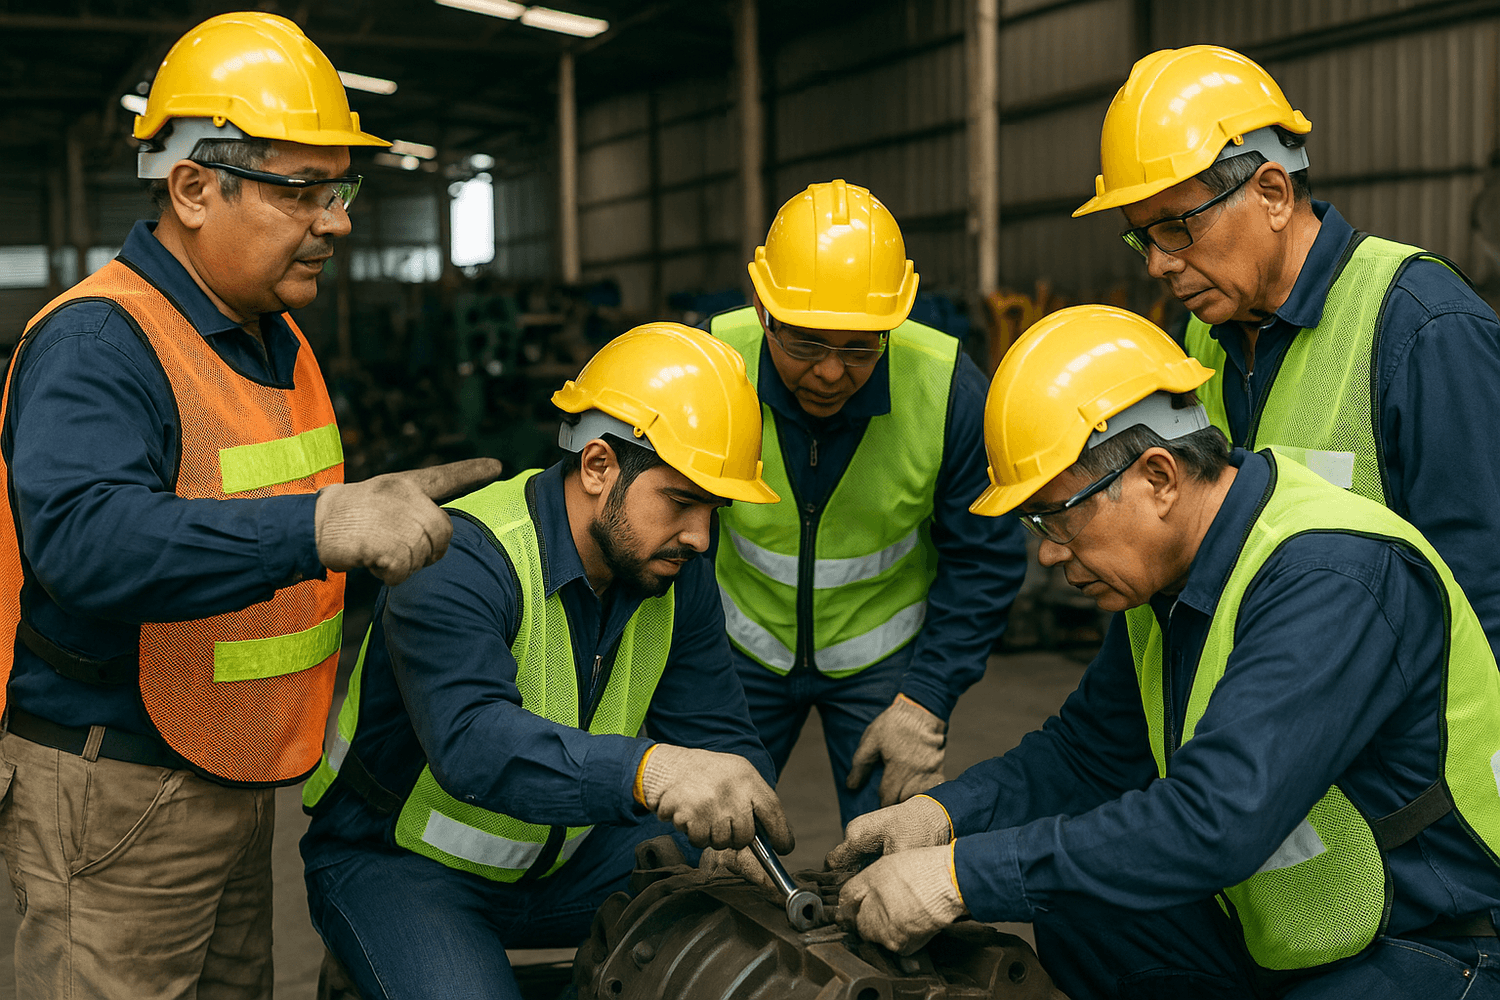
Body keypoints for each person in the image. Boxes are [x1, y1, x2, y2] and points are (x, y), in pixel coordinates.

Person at [0, 13, 499, 998]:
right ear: (192, 186)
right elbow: (81, 542)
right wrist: (321, 528)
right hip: (116, 789)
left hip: (227, 773)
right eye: (301, 189)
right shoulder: (101, 342)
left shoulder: (268, 332)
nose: (338, 219)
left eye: (339, 187)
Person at [826, 305, 1500, 999]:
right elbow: (1086, 753)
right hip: (1304, 920)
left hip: (1439, 941)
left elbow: (1216, 820)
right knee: (1080, 908)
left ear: (1158, 476)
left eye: (1058, 515)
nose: (1050, 551)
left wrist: (961, 878)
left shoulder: (1326, 579)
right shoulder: (1171, 578)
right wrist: (941, 817)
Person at [299, 323, 794, 999]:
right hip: (402, 864)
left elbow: (720, 732)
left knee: (753, 948)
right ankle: (378, 958)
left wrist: (740, 824)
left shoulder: (676, 571)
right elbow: (472, 743)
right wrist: (654, 769)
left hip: (568, 859)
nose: (701, 537)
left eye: (715, 508)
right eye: (680, 501)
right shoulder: (461, 557)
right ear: (597, 466)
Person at [1072, 43, 1500, 658]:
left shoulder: (1424, 327)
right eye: (1142, 237)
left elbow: (1483, 599)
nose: (1160, 264)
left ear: (1272, 192)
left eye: (1176, 227)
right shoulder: (1201, 335)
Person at [708, 179, 1028, 826]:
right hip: (736, 655)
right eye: (804, 344)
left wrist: (926, 700)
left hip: (886, 668)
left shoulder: (948, 391)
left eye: (859, 347)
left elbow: (986, 558)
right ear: (762, 309)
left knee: (889, 853)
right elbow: (665, 539)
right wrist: (692, 689)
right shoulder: (710, 366)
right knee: (703, 845)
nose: (830, 373)